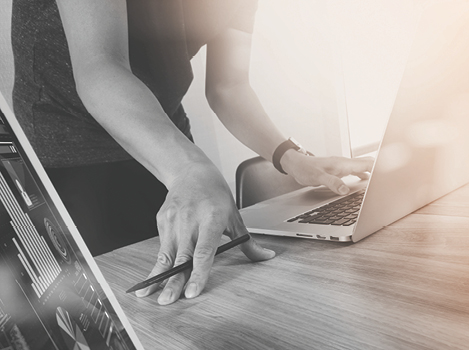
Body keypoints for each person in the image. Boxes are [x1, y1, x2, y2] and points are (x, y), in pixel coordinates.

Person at [11, 0, 374, 306]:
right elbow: (99, 66)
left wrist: (292, 157)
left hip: (165, 128)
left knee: (199, 291)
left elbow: (229, 86)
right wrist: (189, 170)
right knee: (118, 306)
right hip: (67, 148)